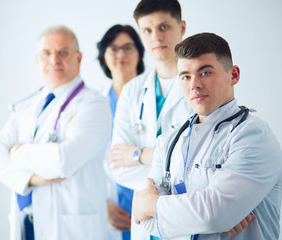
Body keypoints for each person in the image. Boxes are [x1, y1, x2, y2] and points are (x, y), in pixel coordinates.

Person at [132, 32, 282, 239]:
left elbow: (214, 215)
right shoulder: (169, 142)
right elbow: (145, 222)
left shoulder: (252, 136)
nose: (194, 85)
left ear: (234, 75)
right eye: (185, 76)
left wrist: (150, 204)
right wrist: (211, 217)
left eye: (205, 73)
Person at [0, 25, 111, 240]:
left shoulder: (94, 104)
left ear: (78, 58)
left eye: (63, 52)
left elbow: (63, 160)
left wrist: (16, 152)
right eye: (46, 53)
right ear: (37, 60)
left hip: (71, 229)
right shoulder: (28, 106)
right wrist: (32, 178)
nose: (54, 60)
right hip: (27, 225)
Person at [110, 1, 192, 239]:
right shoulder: (132, 91)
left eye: (164, 27)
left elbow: (202, 160)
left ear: (182, 27)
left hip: (187, 219)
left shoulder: (200, 85)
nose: (156, 37)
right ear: (140, 35)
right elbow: (118, 167)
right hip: (145, 223)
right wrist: (175, 173)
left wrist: (139, 155)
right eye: (147, 30)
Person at [97, 24, 145, 240]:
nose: (121, 54)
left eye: (128, 47)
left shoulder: (151, 98)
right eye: (113, 49)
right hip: (108, 208)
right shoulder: (93, 104)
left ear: (140, 52)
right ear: (103, 56)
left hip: (150, 201)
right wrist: (101, 207)